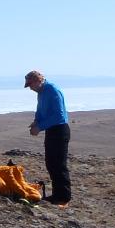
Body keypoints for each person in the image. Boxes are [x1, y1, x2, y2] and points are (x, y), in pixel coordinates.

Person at [26, 70, 71, 206]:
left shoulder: (51, 90)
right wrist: (36, 121)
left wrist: (40, 127)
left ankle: (63, 197)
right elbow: (40, 110)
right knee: (51, 163)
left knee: (58, 164)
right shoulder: (41, 92)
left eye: (31, 85)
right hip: (51, 131)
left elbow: (59, 115)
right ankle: (57, 195)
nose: (30, 88)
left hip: (59, 130)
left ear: (38, 81)